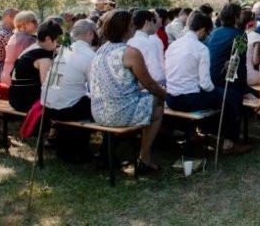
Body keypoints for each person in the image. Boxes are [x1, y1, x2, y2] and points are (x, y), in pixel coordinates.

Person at [90, 10, 167, 173]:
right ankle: (144, 158)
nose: (134, 27)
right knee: (158, 105)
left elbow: (121, 81)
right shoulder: (130, 52)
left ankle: (134, 153)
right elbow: (150, 84)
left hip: (98, 111)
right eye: (132, 24)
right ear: (126, 28)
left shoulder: (101, 50)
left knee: (149, 99)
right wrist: (166, 95)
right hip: (118, 113)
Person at [166, 11, 249, 154]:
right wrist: (217, 92)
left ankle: (209, 131)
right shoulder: (201, 48)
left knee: (221, 95)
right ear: (203, 30)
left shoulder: (174, 45)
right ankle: (228, 142)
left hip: (171, 97)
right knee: (231, 97)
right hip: (188, 99)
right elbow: (205, 84)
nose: (206, 36)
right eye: (207, 33)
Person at [41, 18, 98, 162]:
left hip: (47, 105)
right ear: (90, 34)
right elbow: (96, 87)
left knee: (77, 98)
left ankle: (66, 147)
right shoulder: (89, 55)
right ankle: (81, 150)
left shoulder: (63, 50)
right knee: (95, 103)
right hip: (66, 110)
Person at [8, 20, 64, 112]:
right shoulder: (43, 56)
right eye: (57, 41)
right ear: (48, 39)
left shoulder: (31, 48)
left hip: (14, 97)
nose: (58, 45)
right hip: (26, 101)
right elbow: (47, 86)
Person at [206, 3, 242, 88]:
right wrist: (244, 90)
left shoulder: (214, 32)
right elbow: (239, 63)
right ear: (236, 18)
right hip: (225, 82)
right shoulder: (240, 35)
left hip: (209, 77)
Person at [127, 10, 166, 87]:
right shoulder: (150, 42)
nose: (156, 24)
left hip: (135, 85)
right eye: (154, 20)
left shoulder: (130, 41)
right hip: (151, 86)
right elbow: (157, 74)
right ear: (147, 22)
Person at [0, 10, 39, 86]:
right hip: (20, 80)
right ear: (24, 24)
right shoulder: (30, 39)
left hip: (6, 76)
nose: (37, 23)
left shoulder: (13, 37)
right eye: (34, 21)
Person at [241, 10, 260, 87]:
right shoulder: (256, 36)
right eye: (256, 19)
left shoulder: (239, 35)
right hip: (250, 76)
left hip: (239, 77)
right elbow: (255, 61)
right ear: (252, 22)